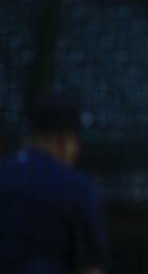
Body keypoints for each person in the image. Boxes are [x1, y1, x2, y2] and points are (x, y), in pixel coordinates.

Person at [0, 95, 108, 274]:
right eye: (75, 141)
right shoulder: (75, 187)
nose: (76, 150)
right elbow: (90, 267)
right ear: (61, 141)